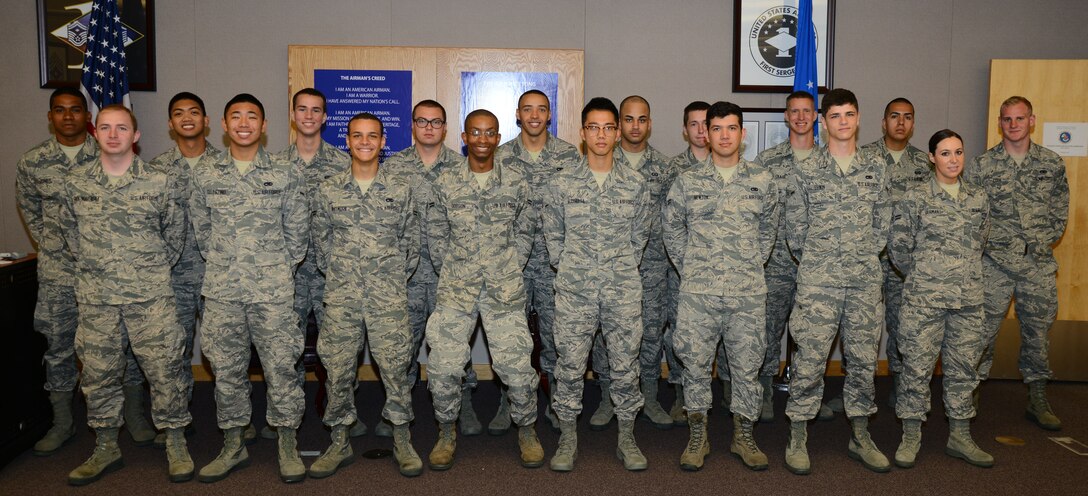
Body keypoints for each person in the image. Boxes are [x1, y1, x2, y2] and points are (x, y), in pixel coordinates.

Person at [59, 105, 194, 485]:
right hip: (97, 299)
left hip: (149, 298)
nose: (113, 134)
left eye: (122, 128)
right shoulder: (76, 183)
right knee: (99, 375)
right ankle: (106, 446)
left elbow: (174, 237)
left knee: (165, 370)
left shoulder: (158, 181)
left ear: (136, 136)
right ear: (95, 133)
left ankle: (176, 441)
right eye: (105, 127)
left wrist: (143, 273)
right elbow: (71, 236)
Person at [16, 88, 154, 456]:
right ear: (50, 116)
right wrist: (50, 245)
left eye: (76, 110)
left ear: (87, 117)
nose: (68, 117)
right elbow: (30, 208)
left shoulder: (109, 152)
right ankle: (63, 423)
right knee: (59, 346)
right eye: (59, 111)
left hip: (111, 275)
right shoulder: (34, 162)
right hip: (59, 274)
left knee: (124, 347)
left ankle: (135, 417)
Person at [190, 94, 309, 483]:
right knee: (226, 371)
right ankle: (233, 443)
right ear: (223, 126)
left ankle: (287, 443)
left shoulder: (285, 173)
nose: (244, 123)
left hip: (272, 293)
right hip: (223, 292)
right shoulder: (206, 174)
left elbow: (297, 235)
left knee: (282, 369)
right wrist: (230, 264)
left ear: (264, 126)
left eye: (252, 116)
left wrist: (271, 268)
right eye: (236, 117)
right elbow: (202, 232)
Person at [424, 109, 544, 471]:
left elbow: (526, 230)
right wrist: (457, 266)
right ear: (464, 137)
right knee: (444, 367)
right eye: (475, 132)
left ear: (497, 137)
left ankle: (526, 430)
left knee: (517, 368)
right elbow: (435, 234)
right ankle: (446, 431)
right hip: (456, 289)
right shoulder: (444, 182)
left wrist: (509, 262)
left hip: (503, 288)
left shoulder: (516, 181)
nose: (481, 139)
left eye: (489, 133)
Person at [663, 101, 778, 471]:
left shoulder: (762, 181)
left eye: (731, 128)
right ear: (706, 134)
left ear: (742, 134)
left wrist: (746, 266)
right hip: (698, 293)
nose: (724, 135)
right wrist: (694, 267)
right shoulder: (687, 182)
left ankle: (743, 434)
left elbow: (768, 232)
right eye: (717, 128)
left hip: (747, 292)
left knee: (746, 366)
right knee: (695, 365)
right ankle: (698, 436)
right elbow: (672, 229)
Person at [783, 88, 892, 475]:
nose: (842, 122)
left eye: (849, 114)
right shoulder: (807, 169)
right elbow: (795, 229)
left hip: (863, 282)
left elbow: (883, 225)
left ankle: (860, 435)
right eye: (835, 116)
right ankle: (798, 434)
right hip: (819, 283)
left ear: (858, 119)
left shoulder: (877, 168)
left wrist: (859, 255)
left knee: (863, 361)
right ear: (823, 121)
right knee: (809, 360)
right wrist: (821, 260)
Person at [308, 113, 423, 478]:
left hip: (388, 297)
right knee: (338, 369)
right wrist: (344, 274)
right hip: (342, 297)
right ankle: (339, 441)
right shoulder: (328, 189)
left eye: (372, 136)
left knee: (395, 368)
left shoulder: (401, 189)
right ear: (348, 139)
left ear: (383, 141)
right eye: (357, 135)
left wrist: (387, 277)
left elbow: (411, 244)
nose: (365, 142)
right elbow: (321, 243)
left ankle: (402, 439)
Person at [544, 97, 652, 472]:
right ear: (583, 133)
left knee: (625, 366)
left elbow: (639, 239)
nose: (602, 135)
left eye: (609, 127)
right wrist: (575, 270)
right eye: (594, 127)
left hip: (622, 290)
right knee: (570, 367)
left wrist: (617, 269)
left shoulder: (636, 185)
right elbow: (553, 238)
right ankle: (567, 437)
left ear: (618, 133)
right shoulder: (561, 183)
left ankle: (626, 437)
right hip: (575, 291)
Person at [890, 129, 994, 469]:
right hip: (925, 301)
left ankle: (960, 435)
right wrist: (927, 276)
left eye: (959, 152)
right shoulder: (915, 197)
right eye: (945, 153)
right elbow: (900, 249)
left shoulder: (978, 197)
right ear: (932, 157)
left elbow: (981, 240)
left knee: (964, 370)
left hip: (967, 301)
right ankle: (910, 435)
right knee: (916, 369)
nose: (953, 159)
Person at [963, 96, 1069, 431]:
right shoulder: (982, 166)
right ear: (1000, 122)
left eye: (1019, 119)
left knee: (1038, 334)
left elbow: (1059, 212)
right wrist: (993, 247)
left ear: (1032, 121)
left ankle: (1037, 397)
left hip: (1036, 265)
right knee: (982, 333)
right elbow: (973, 215)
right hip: (993, 265)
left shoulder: (1050, 163)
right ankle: (972, 391)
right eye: (1007, 119)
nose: (1013, 125)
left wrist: (1037, 243)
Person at [384, 100, 481, 437]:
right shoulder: (392, 168)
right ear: (412, 125)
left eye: (436, 122)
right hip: (406, 277)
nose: (428, 127)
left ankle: (463, 404)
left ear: (445, 128)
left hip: (449, 278)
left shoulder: (461, 167)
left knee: (455, 348)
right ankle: (400, 411)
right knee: (403, 346)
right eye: (422, 121)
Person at [269, 88, 358, 440]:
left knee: (338, 351)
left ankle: (339, 415)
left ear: (325, 117)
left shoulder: (343, 164)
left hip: (330, 275)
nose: (308, 116)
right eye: (302, 110)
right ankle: (286, 420)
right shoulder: (274, 167)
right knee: (285, 348)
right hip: (286, 275)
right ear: (293, 115)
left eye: (316, 110)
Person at [588, 95, 677, 431]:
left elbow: (673, 220)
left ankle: (649, 397)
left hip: (653, 267)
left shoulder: (666, 169)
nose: (635, 126)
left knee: (652, 334)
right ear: (618, 125)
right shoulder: (604, 163)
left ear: (650, 124)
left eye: (642, 119)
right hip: (609, 268)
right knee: (605, 336)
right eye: (628, 119)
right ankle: (608, 397)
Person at [496, 90, 581, 432]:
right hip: (511, 263)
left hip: (553, 264)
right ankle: (509, 404)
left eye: (541, 109)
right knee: (510, 340)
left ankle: (559, 405)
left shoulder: (569, 155)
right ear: (518, 114)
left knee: (557, 339)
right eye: (527, 109)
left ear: (549, 115)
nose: (534, 115)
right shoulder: (500, 157)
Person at [148, 93, 224, 443]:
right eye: (179, 113)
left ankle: (234, 417)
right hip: (174, 274)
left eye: (195, 111)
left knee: (225, 349)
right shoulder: (155, 169)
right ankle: (176, 419)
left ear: (207, 121)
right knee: (174, 348)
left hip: (219, 275)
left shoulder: (225, 165)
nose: (187, 118)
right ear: (170, 124)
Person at [751, 91, 822, 424]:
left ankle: (805, 394)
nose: (800, 117)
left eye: (806, 111)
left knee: (811, 334)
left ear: (816, 115)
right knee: (769, 329)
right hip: (776, 263)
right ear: (786, 116)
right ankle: (764, 391)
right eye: (794, 111)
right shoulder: (767, 161)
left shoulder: (828, 163)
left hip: (817, 264)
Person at [860, 98, 931, 409]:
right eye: (894, 116)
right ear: (883, 122)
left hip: (907, 262)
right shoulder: (863, 158)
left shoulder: (926, 164)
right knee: (863, 328)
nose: (900, 123)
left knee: (904, 326)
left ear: (913, 124)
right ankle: (860, 390)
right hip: (869, 261)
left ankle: (902, 385)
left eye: (907, 117)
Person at [664, 100, 711, 425]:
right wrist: (687, 265)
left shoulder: (736, 169)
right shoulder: (671, 171)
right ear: (684, 130)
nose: (701, 130)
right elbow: (668, 224)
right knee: (680, 334)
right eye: (693, 124)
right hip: (682, 270)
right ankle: (682, 392)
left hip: (727, 272)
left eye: (706, 123)